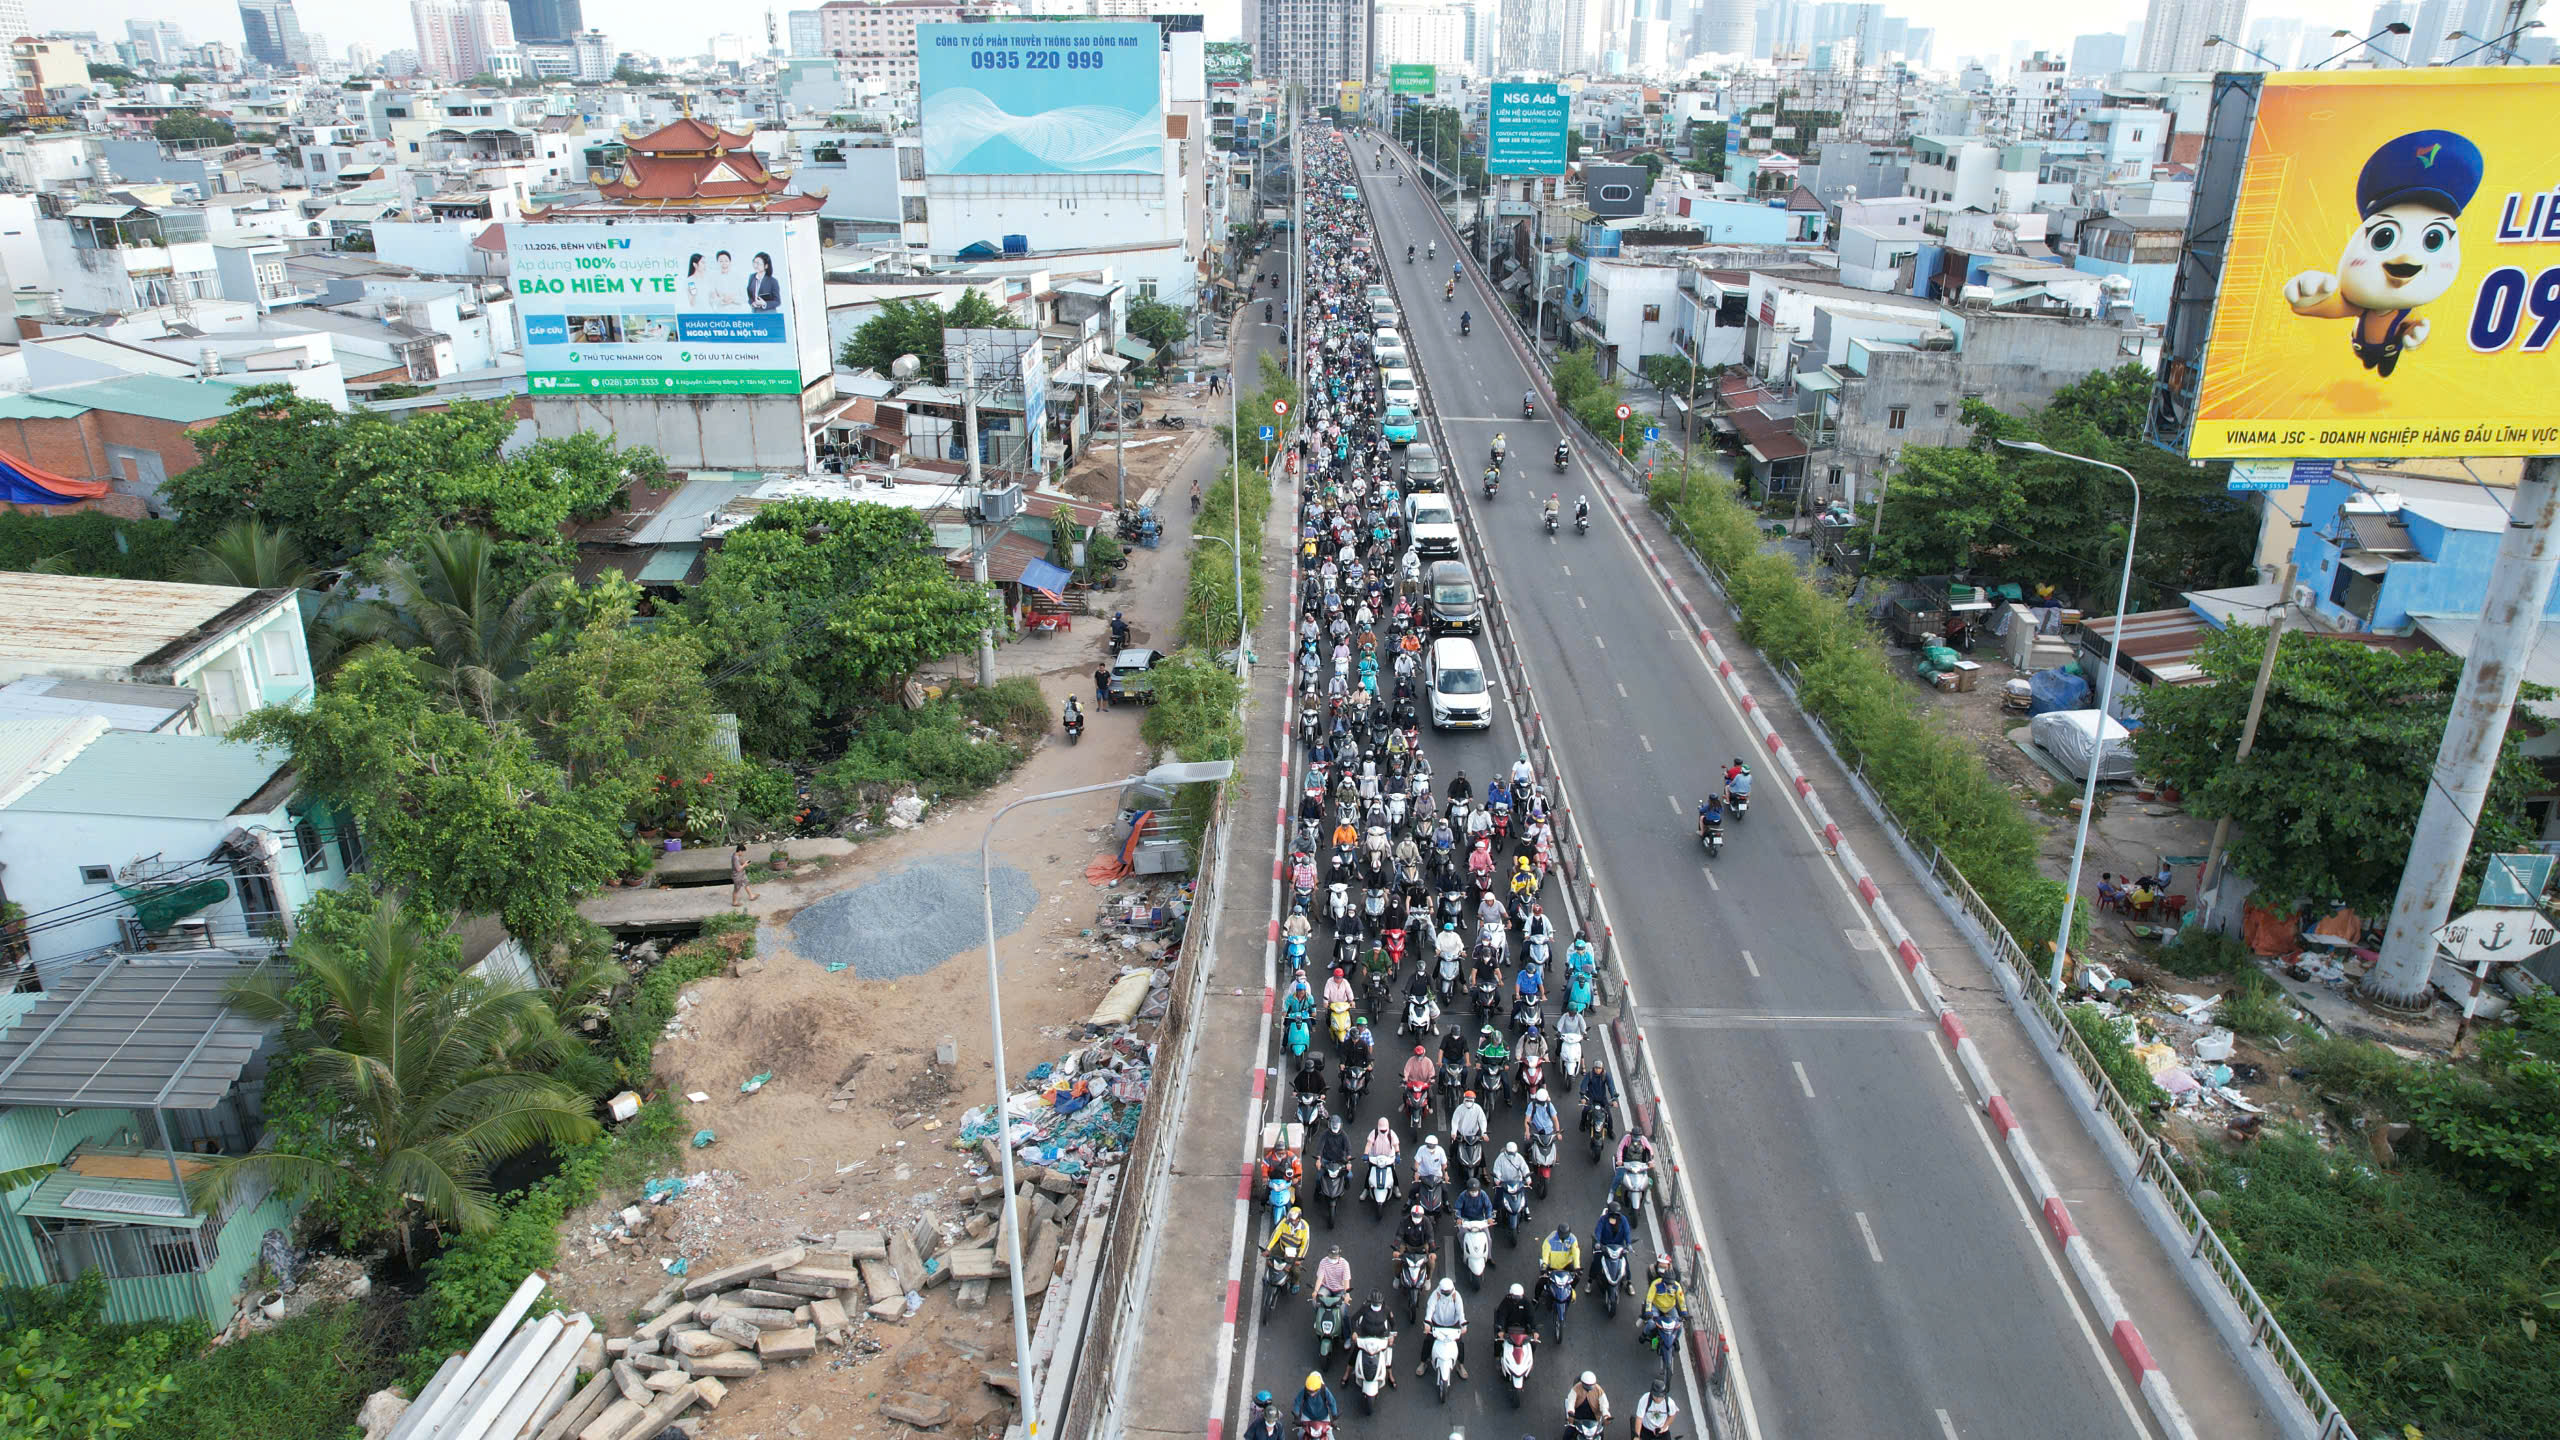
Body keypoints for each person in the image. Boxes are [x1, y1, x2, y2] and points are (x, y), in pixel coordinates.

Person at [1345, 1293, 1398, 1388]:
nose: (1376, 1306)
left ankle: (1390, 1375)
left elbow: (1393, 1324)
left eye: (1378, 1304)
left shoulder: (1386, 1310)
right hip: (1365, 1336)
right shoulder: (1365, 1308)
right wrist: (1354, 1332)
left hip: (1380, 1338)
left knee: (1388, 1356)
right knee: (1355, 1353)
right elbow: (1353, 1319)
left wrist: (1392, 1336)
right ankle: (1347, 1373)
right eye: (1374, 1304)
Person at [1419, 1277, 1468, 1379]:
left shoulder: (1456, 1296)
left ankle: (1460, 1365)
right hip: (1437, 1324)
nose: (1446, 1294)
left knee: (1460, 1344)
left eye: (1448, 1292)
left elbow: (1461, 1313)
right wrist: (1427, 1323)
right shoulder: (1435, 1295)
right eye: (1444, 1292)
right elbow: (1430, 1309)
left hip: (1452, 1326)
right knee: (1428, 1341)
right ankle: (1423, 1362)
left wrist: (1463, 1324)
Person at [1640, 1256, 1686, 1344]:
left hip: (1670, 1308)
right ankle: (1644, 1334)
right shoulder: (1655, 1284)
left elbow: (1681, 1300)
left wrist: (1684, 1313)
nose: (1669, 1286)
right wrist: (1648, 1312)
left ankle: (1675, 1341)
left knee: (1679, 1327)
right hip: (1656, 1306)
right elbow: (1649, 1299)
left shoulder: (1677, 1285)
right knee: (1651, 1324)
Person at [1589, 1202, 1633, 1290]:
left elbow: (1627, 1232)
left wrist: (1628, 1244)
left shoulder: (1623, 1220)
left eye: (1616, 1215)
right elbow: (1598, 1231)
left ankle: (1629, 1282)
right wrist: (1597, 1242)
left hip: (1618, 1246)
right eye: (1612, 1214)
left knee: (1625, 1264)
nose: (1614, 1217)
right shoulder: (1603, 1219)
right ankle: (1590, 1281)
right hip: (1605, 1245)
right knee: (1596, 1262)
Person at [1268, 1206, 1311, 1284]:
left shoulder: (1305, 1227)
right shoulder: (1284, 1222)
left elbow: (1305, 1244)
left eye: (1293, 1220)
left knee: (1296, 1272)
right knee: (1270, 1260)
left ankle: (1296, 1283)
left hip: (1295, 1253)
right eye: (1290, 1220)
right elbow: (1275, 1235)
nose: (1291, 1222)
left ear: (1299, 1219)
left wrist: (1299, 1258)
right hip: (1282, 1247)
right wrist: (1268, 1249)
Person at [729, 843, 759, 910]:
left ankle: (751, 896)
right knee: (736, 889)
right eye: (742, 852)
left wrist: (744, 862)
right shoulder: (735, 858)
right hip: (737, 876)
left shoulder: (736, 854)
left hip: (742, 874)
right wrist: (745, 865)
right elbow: (738, 869)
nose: (742, 854)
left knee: (746, 883)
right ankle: (734, 902)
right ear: (740, 851)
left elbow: (740, 863)